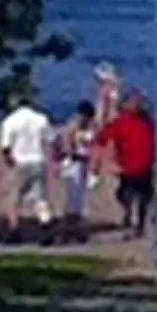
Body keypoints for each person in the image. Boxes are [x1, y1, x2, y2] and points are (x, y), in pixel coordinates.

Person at [97, 88, 157, 237]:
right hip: (127, 166)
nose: (137, 104)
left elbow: (155, 139)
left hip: (145, 165)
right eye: (134, 101)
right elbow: (103, 137)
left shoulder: (147, 121)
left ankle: (139, 225)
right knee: (125, 194)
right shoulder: (121, 121)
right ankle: (129, 216)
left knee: (144, 197)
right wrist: (109, 160)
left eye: (139, 102)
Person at [0, 86, 54, 241]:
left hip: (20, 161)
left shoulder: (10, 121)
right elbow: (51, 139)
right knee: (40, 197)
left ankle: (14, 230)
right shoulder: (41, 119)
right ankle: (45, 225)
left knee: (14, 198)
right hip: (38, 160)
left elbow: (6, 147)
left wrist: (9, 162)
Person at [53, 99, 96, 238]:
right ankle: (68, 228)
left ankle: (74, 228)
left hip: (82, 164)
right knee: (73, 197)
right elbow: (67, 146)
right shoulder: (72, 126)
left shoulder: (86, 127)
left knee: (78, 198)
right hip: (73, 164)